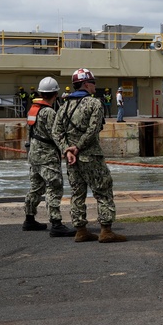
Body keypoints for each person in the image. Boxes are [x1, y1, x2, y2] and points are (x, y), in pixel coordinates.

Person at [52, 68, 125, 243]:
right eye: (93, 82)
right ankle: (106, 230)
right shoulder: (94, 104)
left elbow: (56, 132)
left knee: (77, 193)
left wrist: (67, 149)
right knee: (103, 191)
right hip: (91, 156)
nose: (95, 86)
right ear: (86, 84)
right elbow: (93, 129)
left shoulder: (64, 106)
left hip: (72, 159)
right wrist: (77, 147)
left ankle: (81, 230)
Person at [22, 77, 76, 237]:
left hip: (34, 154)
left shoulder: (33, 110)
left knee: (36, 187)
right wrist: (67, 150)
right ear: (55, 94)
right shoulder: (49, 112)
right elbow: (56, 134)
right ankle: (56, 223)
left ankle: (29, 219)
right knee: (54, 186)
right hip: (47, 155)